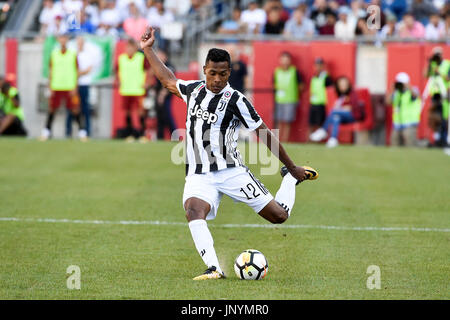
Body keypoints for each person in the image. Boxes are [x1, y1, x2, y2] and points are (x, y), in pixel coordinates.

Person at [140, 27, 319, 280]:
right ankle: (214, 268)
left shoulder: (237, 101)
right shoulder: (193, 90)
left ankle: (289, 180)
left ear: (229, 73)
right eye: (212, 73)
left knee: (279, 216)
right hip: (199, 173)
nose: (216, 80)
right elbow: (168, 80)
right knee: (193, 210)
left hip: (231, 171)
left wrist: (292, 169)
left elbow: (265, 134)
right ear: (204, 70)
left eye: (222, 74)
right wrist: (148, 49)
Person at [40, 33, 87, 141]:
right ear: (58, 40)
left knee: (75, 109)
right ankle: (46, 132)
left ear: (67, 40)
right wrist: (50, 85)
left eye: (65, 38)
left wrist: (75, 86)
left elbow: (76, 71)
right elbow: (51, 71)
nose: (63, 40)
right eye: (61, 38)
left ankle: (82, 132)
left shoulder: (72, 54)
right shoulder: (54, 54)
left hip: (69, 86)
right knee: (52, 109)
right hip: (56, 86)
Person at [116, 38, 151, 142]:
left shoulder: (140, 58)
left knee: (141, 113)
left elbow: (149, 70)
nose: (129, 49)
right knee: (127, 113)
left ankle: (143, 134)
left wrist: (147, 82)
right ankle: (130, 134)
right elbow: (117, 70)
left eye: (131, 47)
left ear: (135, 48)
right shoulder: (121, 58)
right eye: (128, 47)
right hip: (126, 90)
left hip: (139, 90)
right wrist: (118, 80)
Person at [310, 76, 359, 148]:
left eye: (344, 84)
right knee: (336, 118)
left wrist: (342, 108)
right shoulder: (341, 95)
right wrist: (340, 108)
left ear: (348, 85)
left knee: (334, 112)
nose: (343, 86)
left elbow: (352, 108)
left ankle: (323, 130)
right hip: (343, 117)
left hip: (353, 115)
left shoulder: (352, 93)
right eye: (341, 85)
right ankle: (333, 139)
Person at [66, 36, 95, 137]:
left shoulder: (87, 55)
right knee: (71, 107)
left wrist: (78, 73)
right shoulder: (73, 54)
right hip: (73, 84)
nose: (80, 44)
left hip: (84, 84)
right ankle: (68, 131)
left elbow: (88, 69)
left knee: (85, 108)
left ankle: (86, 130)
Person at [273, 52, 304, 142]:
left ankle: (285, 140)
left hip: (290, 100)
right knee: (278, 121)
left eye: (287, 59)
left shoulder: (295, 71)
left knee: (287, 122)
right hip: (279, 100)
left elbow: (301, 85)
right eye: (283, 59)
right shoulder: (277, 71)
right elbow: (273, 84)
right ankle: (277, 140)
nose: (285, 62)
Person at [385, 72, 421, 147]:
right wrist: (391, 90)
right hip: (397, 124)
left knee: (410, 145)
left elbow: (416, 95)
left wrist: (408, 86)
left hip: (409, 123)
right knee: (394, 143)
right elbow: (388, 102)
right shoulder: (396, 93)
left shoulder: (413, 90)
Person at [422, 47, 450, 147]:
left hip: (444, 95)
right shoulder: (432, 65)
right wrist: (430, 64)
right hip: (435, 95)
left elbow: (448, 78)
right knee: (434, 119)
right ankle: (435, 139)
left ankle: (444, 139)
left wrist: (439, 72)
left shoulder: (447, 64)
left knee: (444, 119)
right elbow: (425, 75)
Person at [153, 49, 177, 140]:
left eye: (160, 55)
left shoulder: (169, 67)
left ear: (165, 56)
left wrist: (162, 95)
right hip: (158, 93)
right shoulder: (159, 66)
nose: (158, 57)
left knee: (167, 115)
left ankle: (174, 136)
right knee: (159, 116)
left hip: (166, 95)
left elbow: (169, 81)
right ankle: (160, 137)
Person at [309, 57, 333, 135]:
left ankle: (318, 138)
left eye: (319, 65)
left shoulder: (326, 77)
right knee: (311, 123)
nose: (317, 67)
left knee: (320, 123)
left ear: (323, 66)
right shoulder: (313, 77)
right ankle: (310, 140)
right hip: (313, 103)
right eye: (316, 65)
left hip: (321, 103)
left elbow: (330, 91)